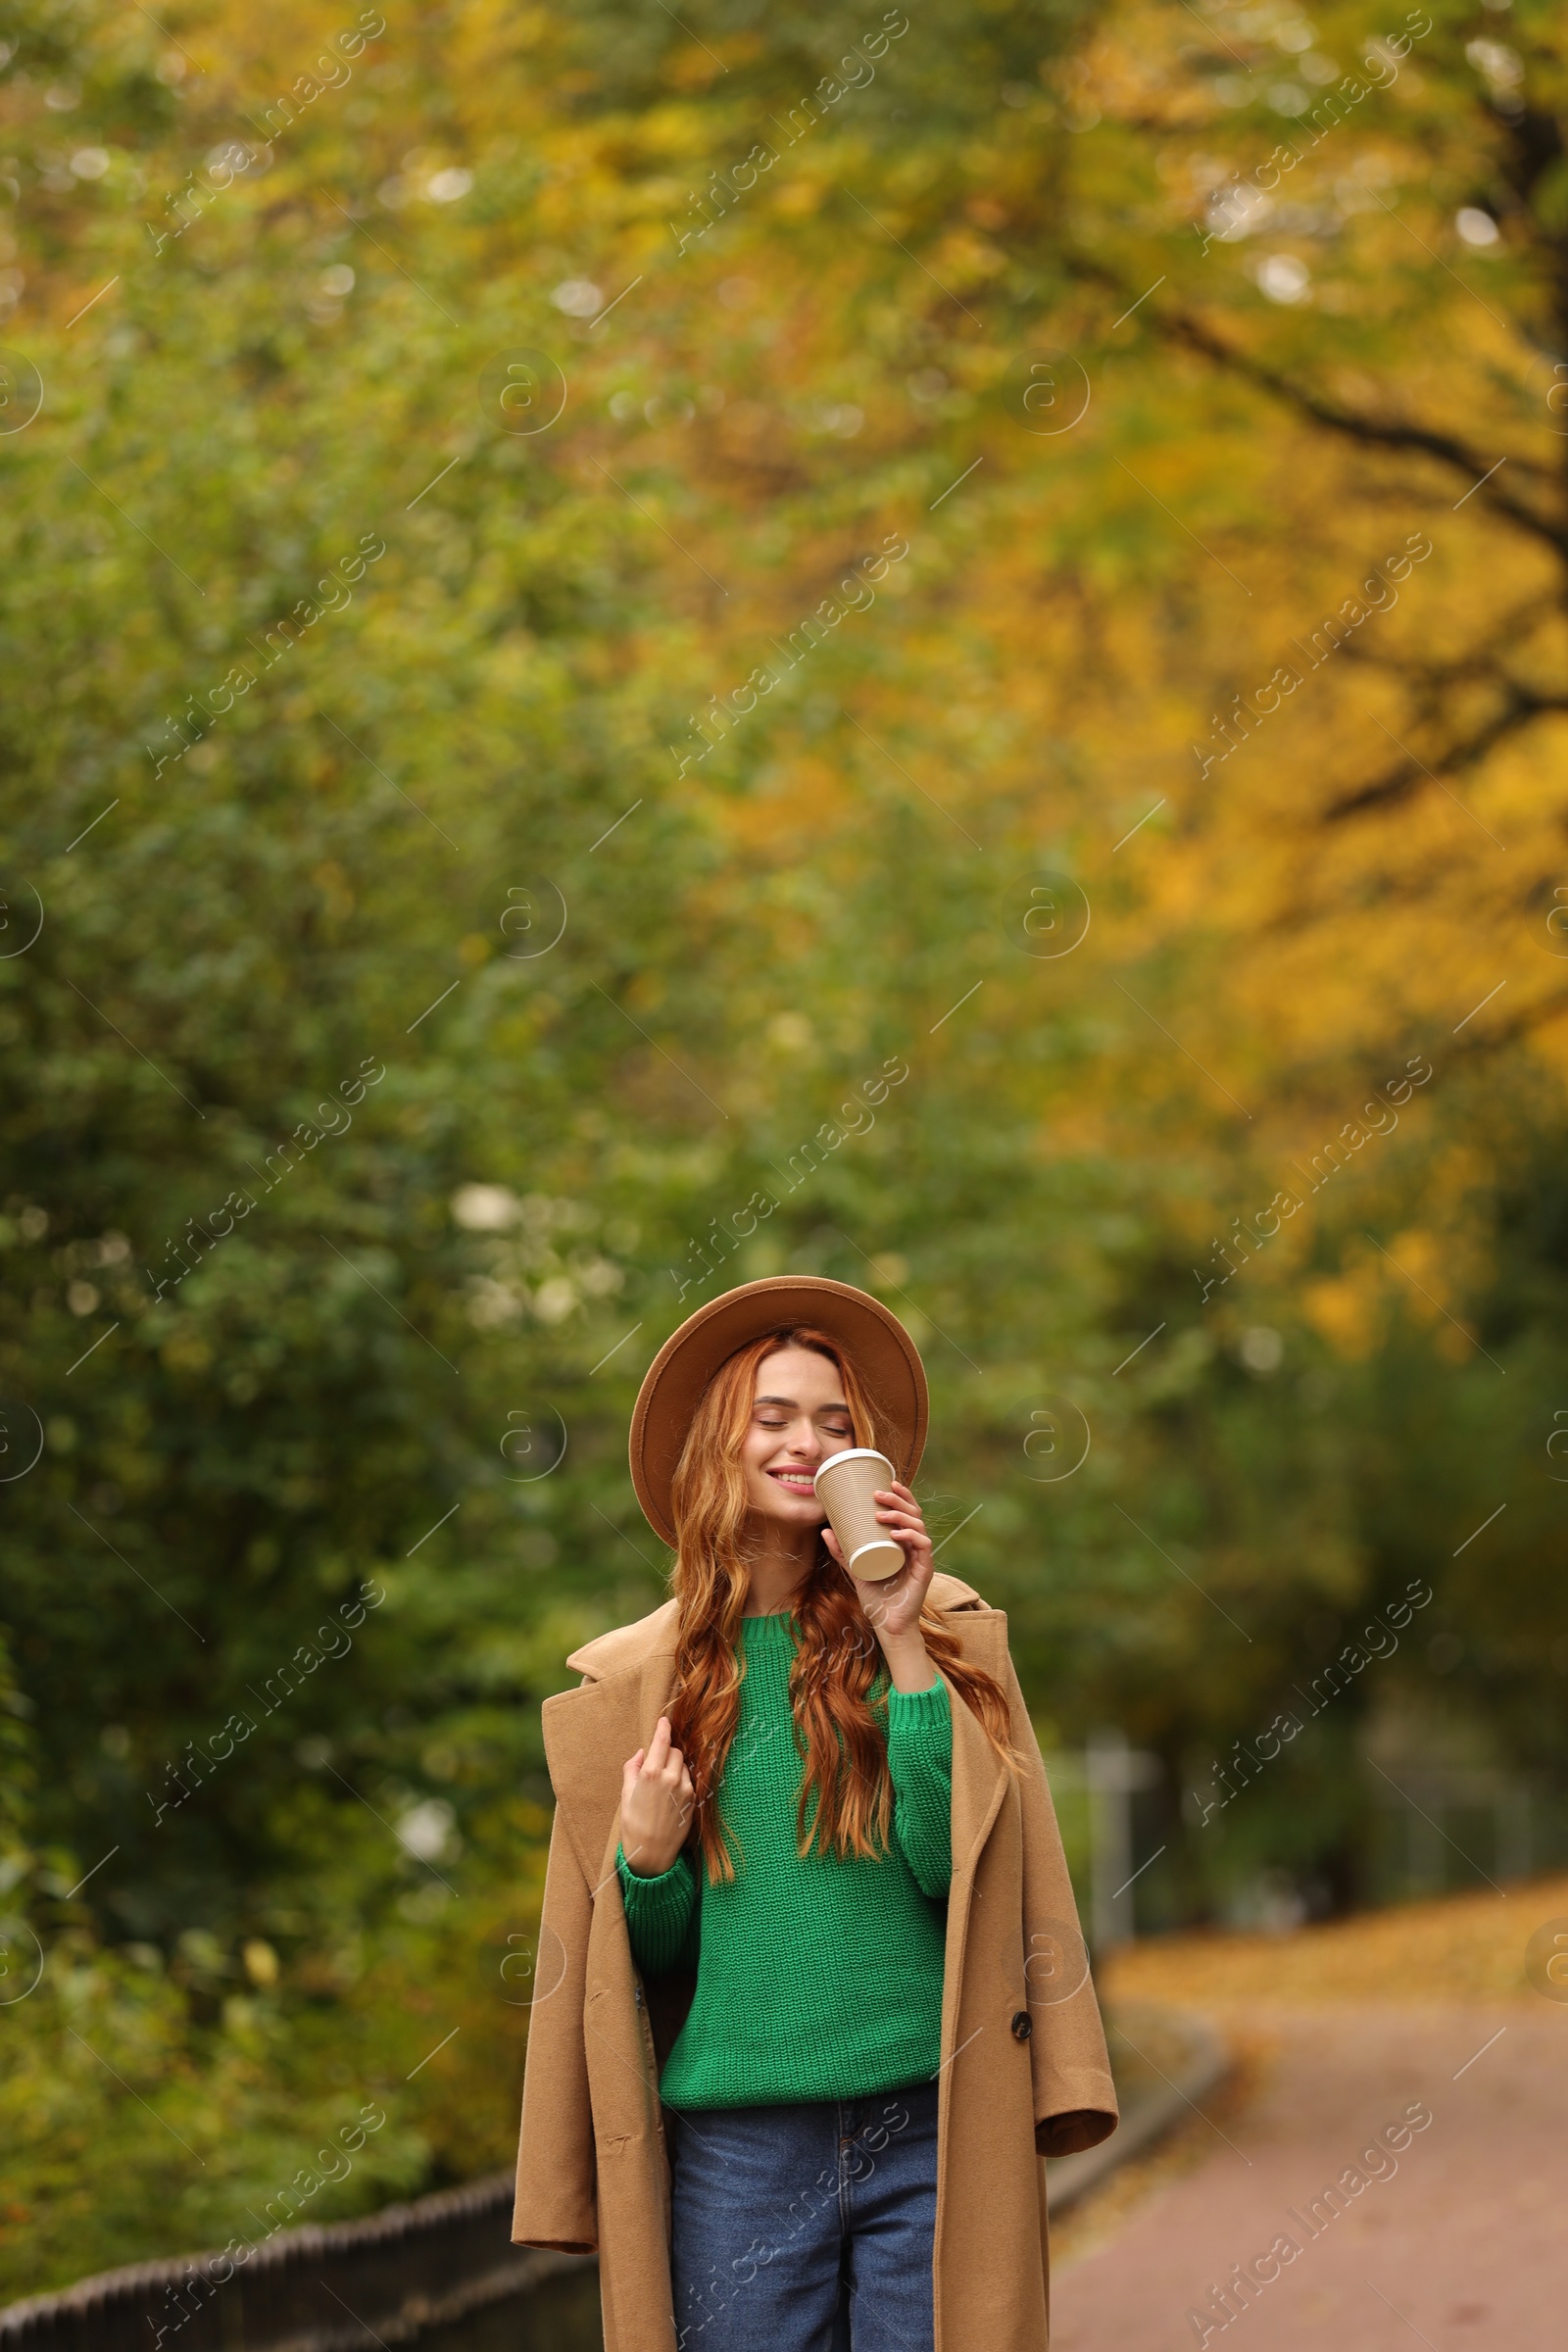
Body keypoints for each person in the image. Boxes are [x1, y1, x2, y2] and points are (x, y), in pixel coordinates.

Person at [513, 1276, 1116, 2352]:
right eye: (775, 1417)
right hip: (739, 2158)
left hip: (930, 2130)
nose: (807, 1443)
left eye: (836, 1424)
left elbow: (951, 1870)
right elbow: (653, 1972)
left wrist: (899, 1634)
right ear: (718, 1447)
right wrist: (646, 1864)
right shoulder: (646, 1684)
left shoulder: (943, 1644)